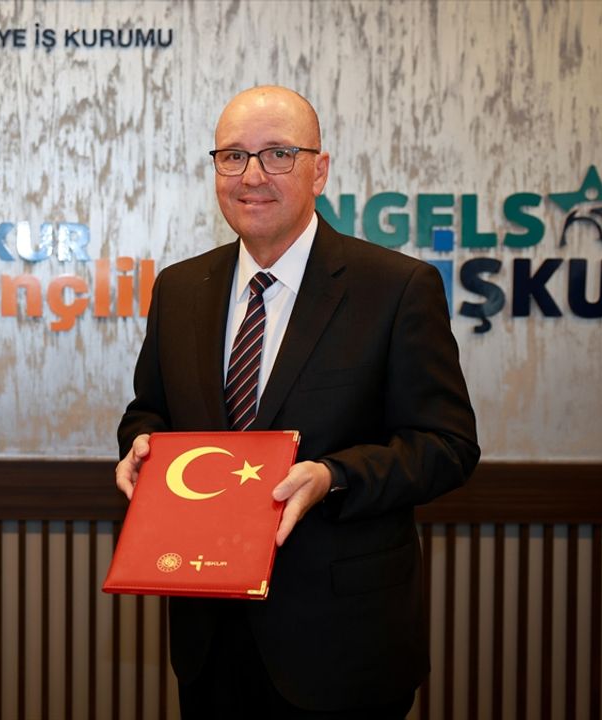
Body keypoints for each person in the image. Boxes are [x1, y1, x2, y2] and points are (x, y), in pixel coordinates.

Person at [115, 86, 479, 718]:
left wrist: (333, 476)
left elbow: (447, 445)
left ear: (320, 170)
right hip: (209, 640)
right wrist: (139, 448)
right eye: (233, 156)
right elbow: (150, 412)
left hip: (342, 644)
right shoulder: (180, 288)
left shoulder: (396, 288)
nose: (252, 176)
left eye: (278, 154)